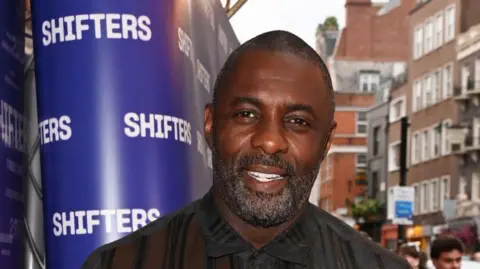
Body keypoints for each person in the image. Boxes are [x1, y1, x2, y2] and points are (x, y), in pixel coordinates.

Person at [81, 30, 411, 269]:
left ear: (326, 141)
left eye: (297, 121)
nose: (269, 141)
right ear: (211, 124)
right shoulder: (119, 263)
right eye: (246, 114)